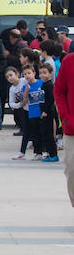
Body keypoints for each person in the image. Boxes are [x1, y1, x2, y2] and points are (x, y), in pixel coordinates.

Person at [54, 50, 74, 206]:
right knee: (72, 171)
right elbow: (59, 91)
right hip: (72, 129)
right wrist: (66, 118)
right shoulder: (69, 61)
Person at [14, 65, 44, 160]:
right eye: (25, 74)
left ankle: (45, 151)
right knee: (35, 134)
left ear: (34, 73)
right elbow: (24, 101)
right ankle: (38, 152)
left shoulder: (41, 83)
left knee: (43, 132)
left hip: (42, 112)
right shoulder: (25, 87)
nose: (27, 76)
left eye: (29, 73)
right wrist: (26, 91)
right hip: (32, 113)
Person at [38, 63, 59, 162]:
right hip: (44, 111)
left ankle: (53, 154)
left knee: (49, 134)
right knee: (46, 133)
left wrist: (45, 111)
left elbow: (50, 99)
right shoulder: (44, 84)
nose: (42, 75)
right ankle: (50, 153)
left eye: (45, 73)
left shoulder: (49, 85)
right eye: (41, 73)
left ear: (50, 74)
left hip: (48, 112)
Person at [6, 67, 28, 135]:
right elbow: (11, 103)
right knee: (17, 113)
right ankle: (22, 129)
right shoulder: (12, 89)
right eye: (7, 77)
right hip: (22, 105)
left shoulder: (24, 81)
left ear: (17, 74)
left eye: (11, 75)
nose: (10, 78)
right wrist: (19, 105)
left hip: (29, 103)